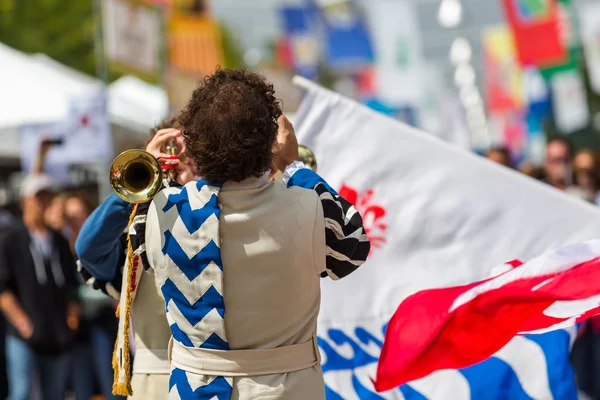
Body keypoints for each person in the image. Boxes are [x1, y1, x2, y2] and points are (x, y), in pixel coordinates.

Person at [144, 68, 370, 399]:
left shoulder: (162, 207)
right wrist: (292, 164)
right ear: (269, 141)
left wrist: (153, 165)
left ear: (193, 144)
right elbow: (353, 247)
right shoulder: (306, 206)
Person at [76, 116, 196, 400]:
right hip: (154, 380)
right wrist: (131, 193)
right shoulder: (135, 232)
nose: (176, 168)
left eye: (187, 158)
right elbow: (89, 248)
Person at [0, 174, 80, 400]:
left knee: (55, 393)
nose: (44, 203)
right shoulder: (10, 238)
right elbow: (3, 287)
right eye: (38, 198)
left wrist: (71, 319)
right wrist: (23, 323)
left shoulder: (59, 240)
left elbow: (71, 286)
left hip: (57, 334)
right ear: (25, 201)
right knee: (22, 392)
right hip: (24, 334)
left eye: (48, 197)